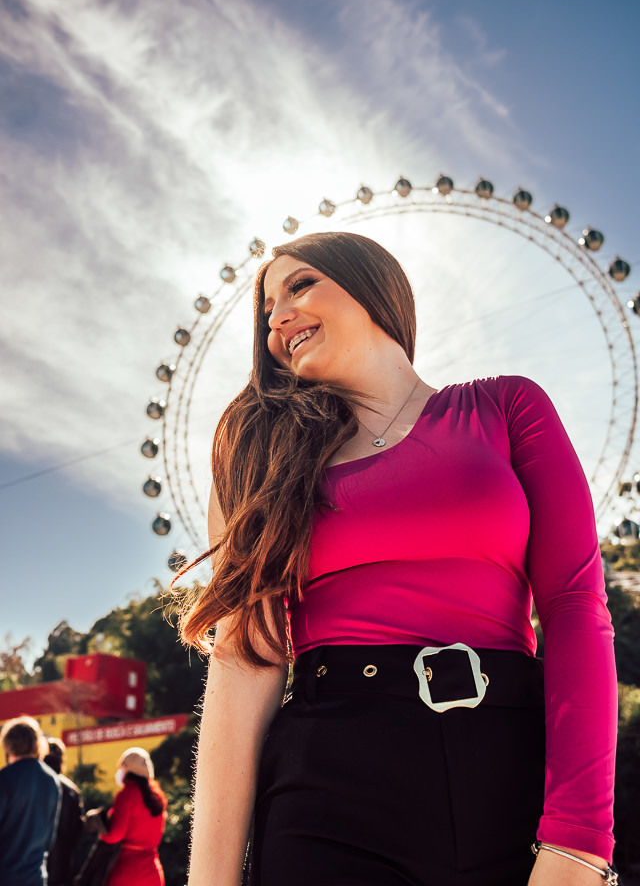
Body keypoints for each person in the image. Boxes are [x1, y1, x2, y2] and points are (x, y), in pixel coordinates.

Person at [179, 231, 618, 886]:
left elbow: (576, 609)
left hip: (510, 773)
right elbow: (247, 662)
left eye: (300, 286)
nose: (276, 319)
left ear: (375, 288)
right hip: (327, 785)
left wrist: (580, 842)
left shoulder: (506, 407)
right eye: (267, 310)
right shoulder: (261, 457)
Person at [0, 715, 61, 886]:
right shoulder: (52, 780)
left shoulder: (5, 778)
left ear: (9, 745)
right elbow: (50, 838)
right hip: (35, 876)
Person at [98, 747, 166, 886]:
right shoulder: (158, 796)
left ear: (128, 770)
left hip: (128, 872)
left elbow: (115, 834)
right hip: (153, 872)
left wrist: (101, 832)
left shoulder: (127, 795)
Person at [44, 737, 84, 886]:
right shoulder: (71, 790)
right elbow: (78, 829)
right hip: (63, 863)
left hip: (35, 863)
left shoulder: (33, 785)